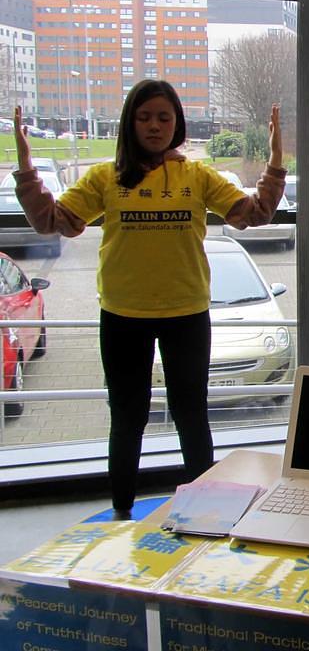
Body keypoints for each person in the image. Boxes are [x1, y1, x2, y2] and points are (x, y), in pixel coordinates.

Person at [12, 80, 286, 519]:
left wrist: (274, 160)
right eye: (144, 117)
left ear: (177, 123)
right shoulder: (105, 177)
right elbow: (51, 221)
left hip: (186, 315)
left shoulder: (196, 176)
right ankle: (121, 515)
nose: (155, 126)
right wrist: (26, 168)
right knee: (127, 419)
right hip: (123, 316)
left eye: (164, 117)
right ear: (130, 122)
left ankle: (206, 515)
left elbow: (255, 214)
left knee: (191, 416)